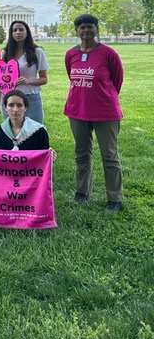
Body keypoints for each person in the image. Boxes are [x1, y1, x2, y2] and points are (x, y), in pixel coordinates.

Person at [64, 14, 124, 213]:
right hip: (77, 110)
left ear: (97, 29)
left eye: (90, 27)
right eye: (82, 28)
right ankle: (82, 191)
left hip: (105, 112)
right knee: (81, 154)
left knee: (109, 156)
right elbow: (72, 78)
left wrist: (103, 96)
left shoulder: (108, 53)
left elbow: (117, 81)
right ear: (77, 31)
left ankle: (114, 198)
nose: (86, 31)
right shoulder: (70, 54)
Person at [1, 20, 49, 123]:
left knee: (33, 131)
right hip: (10, 98)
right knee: (13, 133)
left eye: (21, 29)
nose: (18, 32)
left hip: (30, 98)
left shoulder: (37, 52)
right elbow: (3, 75)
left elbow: (44, 79)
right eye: (15, 30)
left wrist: (28, 81)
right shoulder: (5, 52)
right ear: (11, 33)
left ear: (27, 32)